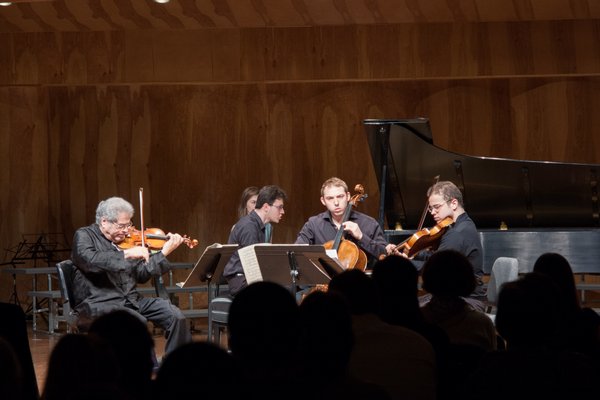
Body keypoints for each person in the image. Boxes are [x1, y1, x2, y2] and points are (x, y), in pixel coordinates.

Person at [70, 196, 192, 355]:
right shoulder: (84, 236)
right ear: (104, 221)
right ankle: (140, 371)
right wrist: (126, 254)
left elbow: (141, 274)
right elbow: (90, 261)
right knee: (136, 323)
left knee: (176, 316)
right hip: (99, 301)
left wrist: (163, 253)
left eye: (129, 225)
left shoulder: (126, 242)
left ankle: (177, 364)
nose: (127, 230)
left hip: (131, 300)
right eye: (122, 226)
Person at [410, 180, 485, 308]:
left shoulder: (457, 233)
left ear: (454, 203)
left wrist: (406, 263)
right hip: (458, 295)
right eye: (430, 208)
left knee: (408, 310)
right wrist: (414, 256)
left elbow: (435, 270)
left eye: (437, 207)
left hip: (466, 300)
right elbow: (437, 257)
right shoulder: (464, 224)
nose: (433, 212)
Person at [295, 177, 395, 264]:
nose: (336, 202)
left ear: (347, 196)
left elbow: (385, 256)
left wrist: (361, 237)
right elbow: (297, 251)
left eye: (340, 196)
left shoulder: (369, 223)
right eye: (330, 198)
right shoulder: (313, 224)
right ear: (323, 201)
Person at [223, 185, 287, 295]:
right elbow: (252, 267)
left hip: (248, 278)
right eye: (279, 207)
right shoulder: (249, 226)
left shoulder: (259, 225)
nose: (283, 212)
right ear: (266, 207)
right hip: (241, 281)